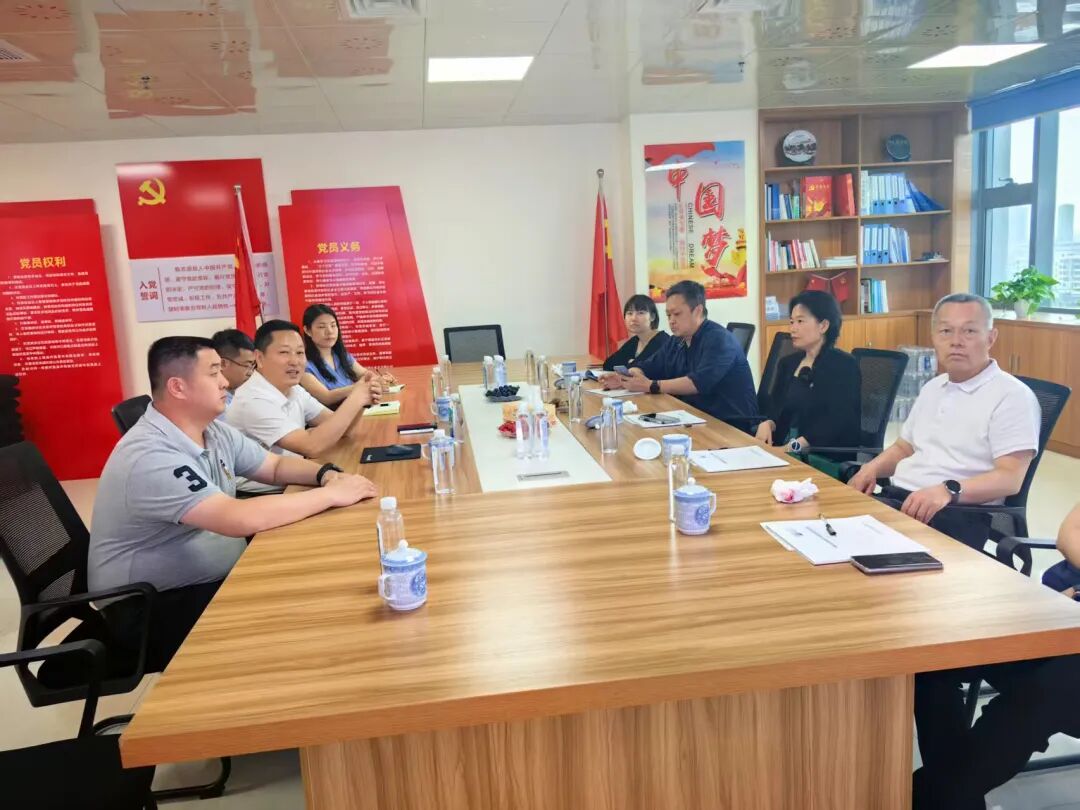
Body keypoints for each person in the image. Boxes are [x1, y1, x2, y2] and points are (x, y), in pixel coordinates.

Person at [89, 336, 377, 671]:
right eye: (214, 373)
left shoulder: (211, 430)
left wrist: (326, 475)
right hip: (148, 608)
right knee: (294, 617)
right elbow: (236, 518)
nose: (225, 381)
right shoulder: (150, 455)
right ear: (178, 387)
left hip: (201, 579)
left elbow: (274, 466)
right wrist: (330, 495)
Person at [912, 503, 1080, 810]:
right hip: (1060, 609)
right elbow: (1070, 532)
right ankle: (952, 797)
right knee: (937, 652)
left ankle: (929, 794)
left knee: (1046, 690)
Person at [848, 293, 1040, 550]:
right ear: (934, 338)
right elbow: (904, 448)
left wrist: (948, 491)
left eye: (969, 331)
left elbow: (1010, 478)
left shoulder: (1012, 396)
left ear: (991, 337)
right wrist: (870, 469)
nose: (956, 341)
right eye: (946, 331)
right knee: (822, 529)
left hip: (953, 514)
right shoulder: (933, 387)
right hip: (900, 500)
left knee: (850, 551)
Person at [227, 319, 380, 474]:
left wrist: (363, 400)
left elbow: (342, 428)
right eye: (284, 352)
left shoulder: (294, 389)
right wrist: (356, 396)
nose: (295, 361)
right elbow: (311, 446)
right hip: (269, 487)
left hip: (295, 476)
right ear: (259, 358)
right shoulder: (253, 400)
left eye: (300, 352)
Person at [604, 280, 756, 422]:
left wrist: (651, 385)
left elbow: (697, 383)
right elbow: (648, 366)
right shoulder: (676, 340)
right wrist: (628, 377)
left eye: (677, 314)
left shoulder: (719, 340)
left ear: (697, 311)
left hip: (729, 424)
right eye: (668, 315)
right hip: (692, 416)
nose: (671, 321)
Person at [754, 290, 860, 455]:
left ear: (823, 326)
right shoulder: (787, 363)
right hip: (784, 450)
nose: (792, 328)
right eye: (791, 321)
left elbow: (834, 424)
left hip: (823, 457)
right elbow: (775, 409)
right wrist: (767, 423)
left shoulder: (843, 366)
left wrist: (788, 449)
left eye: (800, 321)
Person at [300, 303, 396, 408]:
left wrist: (379, 379)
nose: (330, 331)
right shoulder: (303, 365)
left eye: (333, 325)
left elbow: (364, 374)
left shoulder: (341, 355)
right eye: (321, 327)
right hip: (335, 415)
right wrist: (359, 387)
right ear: (307, 330)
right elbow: (327, 397)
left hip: (359, 409)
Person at [601, 294, 670, 372]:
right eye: (630, 313)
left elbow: (646, 370)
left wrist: (630, 363)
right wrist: (630, 363)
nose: (633, 318)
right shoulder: (635, 340)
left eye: (640, 313)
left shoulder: (663, 341)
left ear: (652, 317)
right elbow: (608, 364)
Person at [210, 328, 255, 410]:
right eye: (247, 365)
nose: (251, 372)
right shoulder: (214, 404)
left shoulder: (240, 395)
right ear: (222, 364)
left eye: (253, 366)